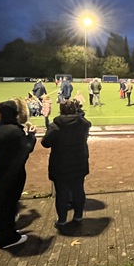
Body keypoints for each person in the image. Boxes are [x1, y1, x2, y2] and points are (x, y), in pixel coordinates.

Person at [0, 98, 36, 249]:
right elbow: (25, 151)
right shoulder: (15, 131)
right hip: (13, 173)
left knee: (3, 204)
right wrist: (31, 136)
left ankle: (1, 234)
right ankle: (8, 238)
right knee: (8, 205)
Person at [41, 98, 92, 231]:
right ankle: (78, 217)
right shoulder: (83, 124)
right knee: (78, 190)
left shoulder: (55, 126)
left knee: (62, 192)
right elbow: (86, 122)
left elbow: (45, 143)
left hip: (60, 164)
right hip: (78, 162)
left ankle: (62, 220)